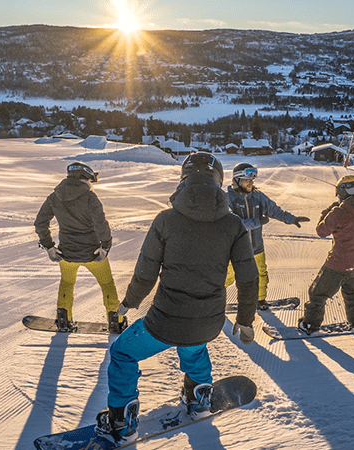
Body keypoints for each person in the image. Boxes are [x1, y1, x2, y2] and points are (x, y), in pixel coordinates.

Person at [94, 152, 259, 445]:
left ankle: (122, 420)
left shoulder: (166, 220)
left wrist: (129, 303)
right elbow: (248, 277)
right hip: (208, 322)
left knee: (122, 352)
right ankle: (198, 400)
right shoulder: (233, 225)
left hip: (164, 322)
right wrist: (245, 321)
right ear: (219, 182)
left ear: (184, 180)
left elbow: (146, 273)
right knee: (193, 345)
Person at [34, 162, 127, 334]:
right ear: (86, 178)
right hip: (92, 254)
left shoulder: (55, 196)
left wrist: (49, 247)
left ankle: (63, 320)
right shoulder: (90, 197)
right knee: (107, 284)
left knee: (67, 283)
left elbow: (40, 222)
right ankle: (116, 321)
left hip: (66, 253)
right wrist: (105, 246)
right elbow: (101, 224)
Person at [299, 175, 354, 334]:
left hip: (337, 265)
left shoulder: (338, 212)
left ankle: (311, 325)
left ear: (343, 193)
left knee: (317, 293)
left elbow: (321, 231)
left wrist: (328, 211)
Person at [225, 162, 310, 310]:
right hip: (235, 249)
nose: (251, 182)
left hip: (256, 247)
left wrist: (292, 219)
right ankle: (212, 297)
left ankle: (260, 300)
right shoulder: (228, 199)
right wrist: (257, 222)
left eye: (253, 179)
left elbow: (274, 210)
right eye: (248, 179)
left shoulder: (258, 197)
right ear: (237, 179)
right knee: (229, 275)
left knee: (261, 275)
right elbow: (232, 223)